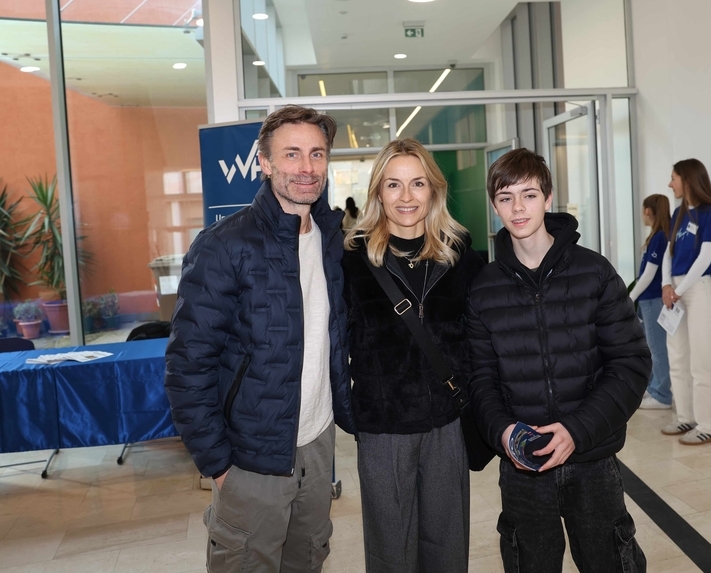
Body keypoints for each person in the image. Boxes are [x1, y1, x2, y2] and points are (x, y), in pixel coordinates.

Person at [165, 105, 356, 573]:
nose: (306, 167)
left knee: (307, 561)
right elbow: (188, 366)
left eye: (317, 154)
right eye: (292, 154)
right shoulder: (224, 245)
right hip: (250, 457)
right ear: (265, 163)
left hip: (317, 443)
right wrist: (218, 465)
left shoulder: (332, 240)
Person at [467, 148, 650, 573]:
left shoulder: (594, 273)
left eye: (529, 195)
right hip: (523, 467)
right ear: (494, 205)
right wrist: (504, 432)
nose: (517, 208)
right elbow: (480, 379)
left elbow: (631, 364)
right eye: (505, 197)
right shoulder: (483, 289)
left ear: (548, 198)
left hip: (592, 458)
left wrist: (576, 430)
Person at [342, 138, 484, 573]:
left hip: (447, 424)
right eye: (393, 184)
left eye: (417, 183)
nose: (406, 196)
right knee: (391, 553)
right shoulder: (352, 261)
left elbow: (481, 340)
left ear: (433, 190)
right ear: (378, 193)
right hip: (383, 428)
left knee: (447, 549)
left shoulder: (461, 256)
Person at [660, 158, 711, 445]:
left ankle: (709, 426)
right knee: (678, 358)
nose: (670, 184)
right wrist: (666, 284)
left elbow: (705, 258)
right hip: (675, 290)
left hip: (698, 288)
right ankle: (685, 417)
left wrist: (679, 288)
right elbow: (669, 252)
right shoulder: (678, 213)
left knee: (704, 360)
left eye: (673, 178)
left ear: (687, 180)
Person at [629, 194, 673, 409]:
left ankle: (662, 395)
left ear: (647, 211)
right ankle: (654, 388)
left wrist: (630, 297)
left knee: (657, 348)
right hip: (649, 300)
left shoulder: (659, 237)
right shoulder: (658, 235)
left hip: (653, 299)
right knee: (652, 347)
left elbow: (648, 275)